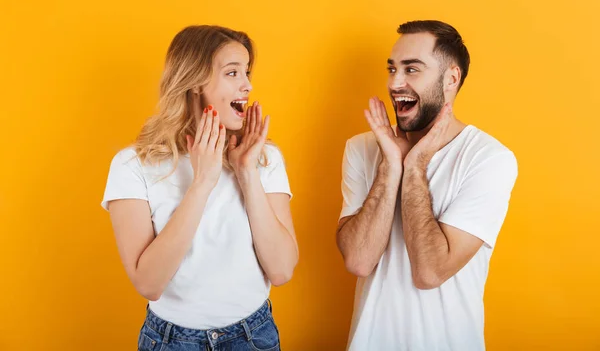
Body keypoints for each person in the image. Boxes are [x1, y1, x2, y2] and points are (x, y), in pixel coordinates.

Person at [101, 25, 298, 351]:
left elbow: (281, 270)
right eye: (232, 73)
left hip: (254, 336)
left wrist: (246, 172)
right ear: (194, 82)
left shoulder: (263, 158)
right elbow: (149, 284)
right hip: (172, 341)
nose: (247, 85)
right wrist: (202, 182)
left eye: (246, 72)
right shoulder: (132, 166)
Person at [336, 20, 518, 350]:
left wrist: (414, 166)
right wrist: (390, 167)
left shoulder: (489, 159)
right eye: (392, 69)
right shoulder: (362, 147)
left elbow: (430, 272)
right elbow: (359, 261)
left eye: (411, 69)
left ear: (451, 78)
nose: (395, 82)